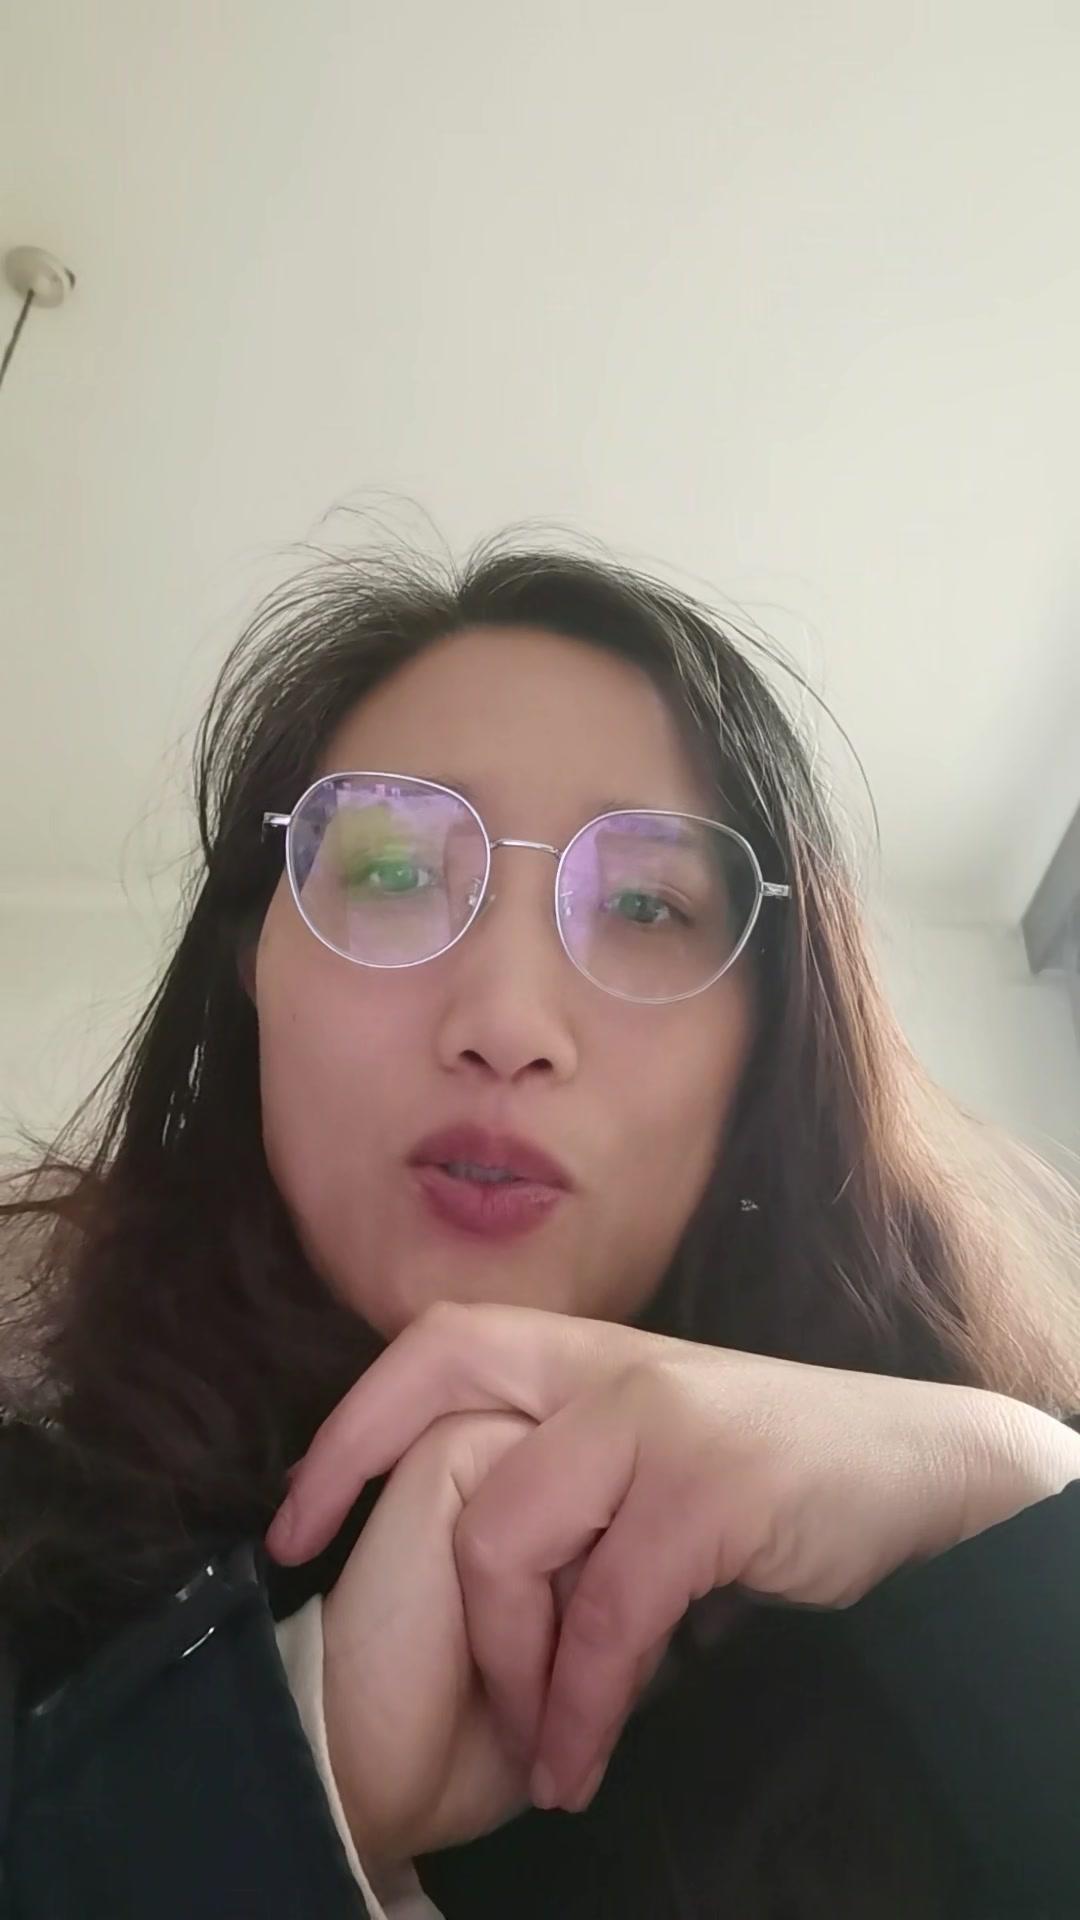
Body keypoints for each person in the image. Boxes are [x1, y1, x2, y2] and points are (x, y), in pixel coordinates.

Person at [2, 532, 1079, 1920]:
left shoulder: (979, 1559)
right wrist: (295, 1765)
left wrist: (1016, 1515)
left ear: (768, 1043)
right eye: (390, 871)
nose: (507, 1022)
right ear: (250, 964)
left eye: (645, 904)